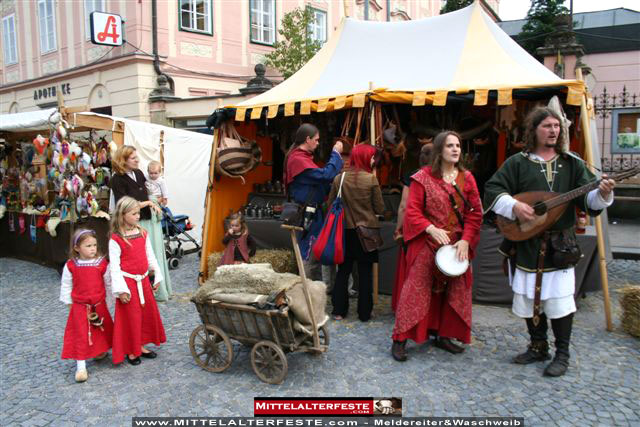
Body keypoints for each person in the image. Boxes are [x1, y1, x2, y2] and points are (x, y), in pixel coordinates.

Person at [484, 107, 615, 377]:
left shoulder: (572, 163)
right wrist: (515, 207)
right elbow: (493, 189)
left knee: (559, 301)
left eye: (557, 126)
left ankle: (562, 354)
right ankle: (538, 346)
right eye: (547, 125)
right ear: (534, 130)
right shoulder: (518, 162)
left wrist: (602, 194)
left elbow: (588, 202)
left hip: (559, 248)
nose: (554, 130)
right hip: (528, 244)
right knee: (530, 296)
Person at [391, 131, 482, 362]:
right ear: (440, 150)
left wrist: (466, 240)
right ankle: (400, 338)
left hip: (456, 245)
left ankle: (444, 335)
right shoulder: (422, 178)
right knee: (415, 290)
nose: (455, 149)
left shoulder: (467, 178)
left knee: (455, 290)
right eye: (450, 145)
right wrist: (429, 228)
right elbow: (412, 211)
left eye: (458, 145)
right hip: (428, 242)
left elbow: (475, 214)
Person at [327, 143, 385, 322]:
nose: (374, 159)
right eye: (373, 156)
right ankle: (364, 314)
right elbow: (380, 208)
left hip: (344, 232)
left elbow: (330, 205)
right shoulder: (371, 179)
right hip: (366, 233)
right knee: (365, 273)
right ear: (366, 157)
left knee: (343, 272)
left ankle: (338, 311)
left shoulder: (339, 178)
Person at [109, 196, 167, 366]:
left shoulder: (142, 232)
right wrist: (121, 289)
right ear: (123, 214)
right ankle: (131, 350)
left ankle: (140, 346)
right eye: (134, 213)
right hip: (128, 284)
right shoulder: (116, 238)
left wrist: (156, 275)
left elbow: (150, 255)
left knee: (144, 315)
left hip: (142, 281)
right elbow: (114, 266)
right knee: (131, 317)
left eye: (138, 213)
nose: (138, 216)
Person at [110, 146, 172, 301]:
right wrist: (147, 204)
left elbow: (148, 191)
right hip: (134, 223)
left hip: (149, 219)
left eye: (137, 157)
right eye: (133, 158)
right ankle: (143, 292)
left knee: (153, 254)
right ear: (123, 160)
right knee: (140, 257)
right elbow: (123, 204)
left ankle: (156, 287)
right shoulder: (117, 179)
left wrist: (158, 199)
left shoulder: (138, 173)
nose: (137, 160)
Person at [284, 123, 343, 280]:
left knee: (312, 255)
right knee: (308, 256)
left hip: (313, 213)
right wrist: (336, 154)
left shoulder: (302, 157)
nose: (318, 143)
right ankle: (307, 296)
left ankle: (311, 295)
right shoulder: (297, 159)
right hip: (307, 215)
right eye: (316, 140)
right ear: (307, 139)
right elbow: (326, 175)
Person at [60, 228, 114, 382]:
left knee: (101, 330)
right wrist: (69, 303)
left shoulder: (102, 263)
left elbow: (108, 284)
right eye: (88, 246)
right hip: (80, 306)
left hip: (99, 304)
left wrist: (109, 301)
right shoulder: (71, 265)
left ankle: (100, 351)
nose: (93, 249)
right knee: (81, 334)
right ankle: (81, 366)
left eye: (94, 245)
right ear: (77, 248)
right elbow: (66, 285)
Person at [392, 143, 433, 312]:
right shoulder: (443, 176)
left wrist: (398, 227)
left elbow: (404, 205)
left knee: (411, 269)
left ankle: (408, 305)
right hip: (434, 229)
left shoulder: (413, 176)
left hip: (414, 228)